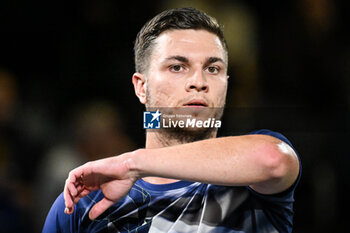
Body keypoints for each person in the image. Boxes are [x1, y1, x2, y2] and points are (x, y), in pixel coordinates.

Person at [42, 7, 301, 233]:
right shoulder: (85, 205)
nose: (199, 82)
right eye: (177, 67)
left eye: (213, 69)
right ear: (141, 87)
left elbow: (272, 159)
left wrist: (133, 164)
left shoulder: (252, 176)